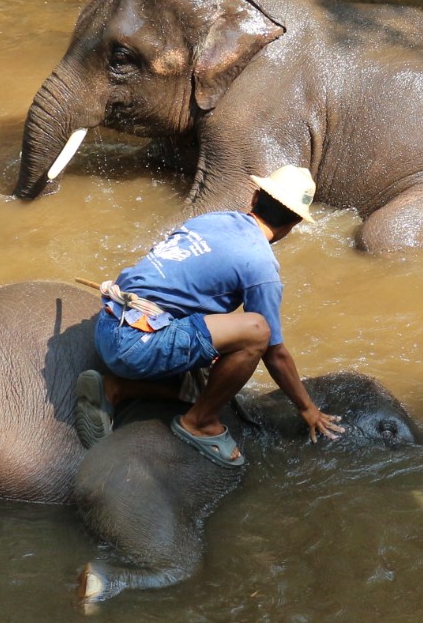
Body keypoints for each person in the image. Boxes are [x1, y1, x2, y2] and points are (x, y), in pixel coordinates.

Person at [74, 166, 345, 467]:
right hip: (135, 346)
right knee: (256, 330)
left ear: (254, 197)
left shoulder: (210, 220)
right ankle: (200, 422)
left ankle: (115, 388)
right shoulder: (261, 266)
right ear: (294, 223)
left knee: (206, 381)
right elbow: (274, 353)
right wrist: (307, 408)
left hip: (111, 321)